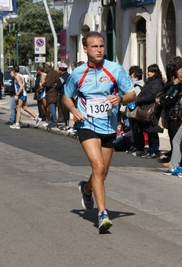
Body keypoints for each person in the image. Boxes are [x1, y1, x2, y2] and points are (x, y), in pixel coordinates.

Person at [62, 31, 136, 233]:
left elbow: (132, 93)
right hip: (86, 124)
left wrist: (120, 99)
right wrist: (74, 111)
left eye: (101, 46)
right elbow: (66, 97)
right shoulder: (77, 73)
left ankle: (86, 189)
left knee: (101, 174)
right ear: (85, 49)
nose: (99, 50)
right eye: (94, 46)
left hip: (109, 126)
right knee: (97, 164)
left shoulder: (114, 69)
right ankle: (102, 213)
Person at [133, 64, 164, 159]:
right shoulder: (150, 82)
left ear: (154, 72)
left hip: (152, 110)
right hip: (146, 108)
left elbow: (151, 96)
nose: (148, 73)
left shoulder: (156, 83)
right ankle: (151, 150)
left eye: (150, 71)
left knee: (152, 131)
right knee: (148, 131)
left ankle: (155, 150)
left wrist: (139, 100)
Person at [9, 65, 42, 129]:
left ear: (13, 71)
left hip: (21, 94)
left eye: (11, 71)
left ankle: (17, 124)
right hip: (23, 94)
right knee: (25, 108)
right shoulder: (21, 75)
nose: (10, 73)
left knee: (18, 108)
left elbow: (21, 87)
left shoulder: (17, 77)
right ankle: (36, 118)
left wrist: (17, 95)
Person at [42, 62, 59, 128]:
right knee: (53, 107)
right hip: (54, 92)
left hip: (51, 93)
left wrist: (43, 84)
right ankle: (53, 120)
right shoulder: (55, 73)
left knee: (52, 108)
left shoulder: (49, 74)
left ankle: (54, 121)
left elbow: (48, 84)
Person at [56, 63, 71, 131]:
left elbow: (58, 86)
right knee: (66, 110)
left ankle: (67, 124)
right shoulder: (69, 75)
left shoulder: (62, 77)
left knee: (64, 110)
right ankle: (66, 124)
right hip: (69, 94)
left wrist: (56, 86)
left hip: (63, 94)